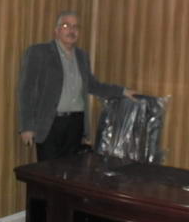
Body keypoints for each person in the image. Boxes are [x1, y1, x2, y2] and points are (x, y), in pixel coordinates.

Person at [18, 10, 135, 161]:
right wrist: (27, 126)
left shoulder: (82, 56)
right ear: (56, 30)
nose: (71, 30)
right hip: (50, 124)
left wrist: (123, 91)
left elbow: (93, 85)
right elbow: (26, 90)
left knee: (70, 170)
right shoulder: (39, 52)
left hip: (76, 124)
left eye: (75, 27)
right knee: (47, 171)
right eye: (66, 26)